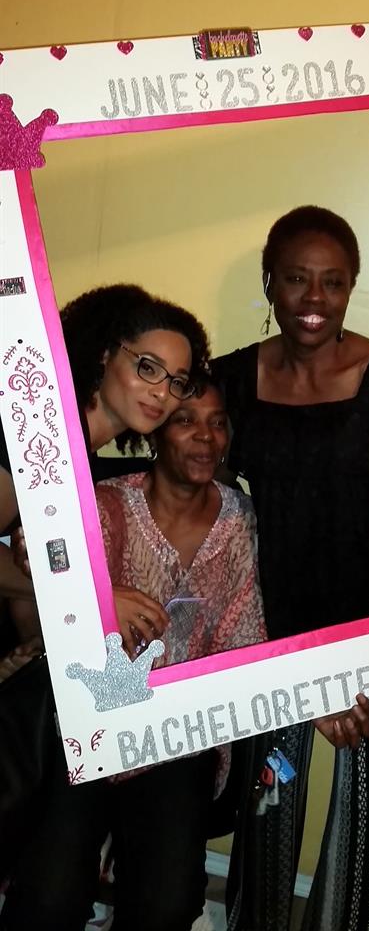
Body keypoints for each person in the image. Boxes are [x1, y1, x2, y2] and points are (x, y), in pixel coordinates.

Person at [212, 206, 369, 931]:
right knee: (269, 804)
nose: (314, 300)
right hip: (273, 619)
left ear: (350, 289)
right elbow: (201, 496)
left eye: (332, 283)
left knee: (368, 807)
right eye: (297, 280)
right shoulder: (231, 379)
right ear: (270, 283)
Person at [1, 375, 267, 931]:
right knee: (49, 897)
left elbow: (244, 636)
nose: (205, 437)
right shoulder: (104, 505)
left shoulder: (239, 518)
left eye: (217, 422)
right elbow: (35, 554)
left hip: (178, 736)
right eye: (186, 420)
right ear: (155, 435)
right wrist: (98, 598)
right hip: (86, 728)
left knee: (167, 903)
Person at [0, 283, 208, 883]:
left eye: (178, 380)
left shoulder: (85, 460)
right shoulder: (32, 431)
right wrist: (90, 601)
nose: (162, 392)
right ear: (100, 354)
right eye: (148, 367)